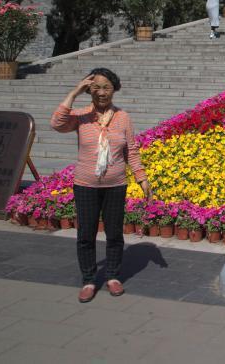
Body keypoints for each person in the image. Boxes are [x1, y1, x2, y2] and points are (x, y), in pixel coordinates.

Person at [51, 68, 152, 303]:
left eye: (106, 87)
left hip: (116, 185)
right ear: (89, 90)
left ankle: (113, 276)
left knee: (114, 233)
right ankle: (88, 279)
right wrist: (75, 92)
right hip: (85, 185)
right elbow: (56, 123)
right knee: (86, 234)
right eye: (95, 87)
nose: (101, 92)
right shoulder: (82, 116)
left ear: (114, 90)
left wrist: (141, 177)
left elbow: (132, 151)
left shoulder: (123, 118)